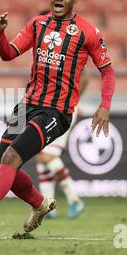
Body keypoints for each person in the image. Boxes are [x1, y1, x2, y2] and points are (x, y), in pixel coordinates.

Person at [0, 0, 115, 238]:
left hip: (56, 112)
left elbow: (107, 72)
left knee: (11, 158)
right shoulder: (37, 25)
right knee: (2, 169)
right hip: (27, 105)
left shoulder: (88, 32)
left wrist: (104, 106)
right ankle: (40, 204)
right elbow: (8, 53)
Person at [37, 71, 88, 219]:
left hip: (63, 111)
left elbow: (84, 77)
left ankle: (75, 200)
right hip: (51, 110)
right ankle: (48, 206)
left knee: (49, 155)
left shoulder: (68, 65)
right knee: (41, 157)